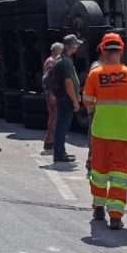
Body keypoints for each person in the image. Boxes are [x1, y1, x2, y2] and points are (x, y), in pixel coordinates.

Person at [83, 33, 127, 230]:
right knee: (120, 175)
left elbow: (88, 103)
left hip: (100, 132)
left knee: (99, 172)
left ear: (102, 50)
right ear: (121, 50)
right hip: (123, 134)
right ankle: (115, 216)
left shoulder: (94, 75)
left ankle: (98, 207)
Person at [47, 35, 82, 164]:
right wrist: (74, 100)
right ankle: (59, 154)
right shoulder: (65, 62)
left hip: (62, 97)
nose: (77, 47)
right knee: (62, 126)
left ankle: (61, 152)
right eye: (75, 45)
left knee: (62, 126)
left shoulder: (63, 60)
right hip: (66, 98)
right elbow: (68, 83)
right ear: (69, 46)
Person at [41, 42, 65, 151]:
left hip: (54, 93)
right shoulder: (51, 62)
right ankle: (49, 141)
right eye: (61, 50)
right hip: (52, 94)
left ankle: (50, 142)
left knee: (54, 117)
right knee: (54, 117)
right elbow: (47, 80)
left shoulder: (53, 61)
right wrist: (51, 93)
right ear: (56, 50)